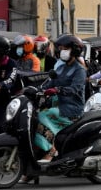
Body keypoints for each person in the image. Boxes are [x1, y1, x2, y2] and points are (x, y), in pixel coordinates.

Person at [35, 35, 86, 163]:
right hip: (58, 106)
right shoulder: (61, 67)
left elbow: (74, 89)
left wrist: (58, 90)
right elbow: (50, 83)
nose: (62, 51)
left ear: (74, 50)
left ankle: (51, 151)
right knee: (34, 117)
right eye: (61, 48)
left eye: (65, 48)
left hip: (72, 109)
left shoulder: (79, 70)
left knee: (43, 115)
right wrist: (37, 89)